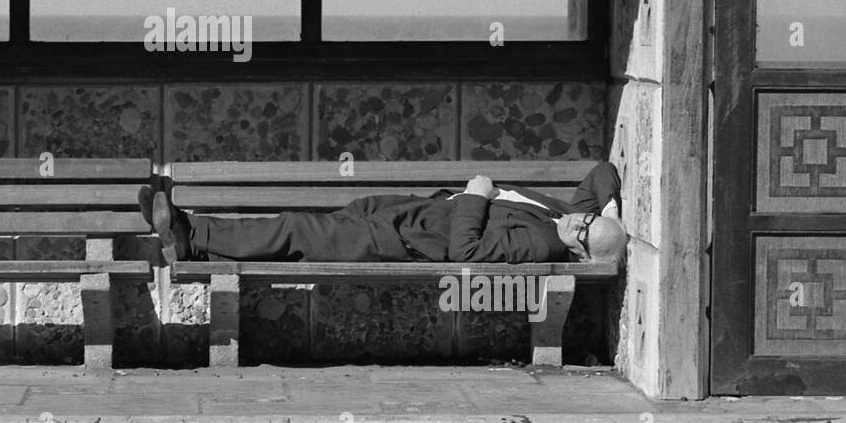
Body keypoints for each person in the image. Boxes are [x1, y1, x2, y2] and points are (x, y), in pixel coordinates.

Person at [140, 161, 627, 267]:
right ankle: (190, 234)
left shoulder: (544, 243)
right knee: (310, 228)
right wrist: (608, 212)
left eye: (583, 230)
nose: (576, 222)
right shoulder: (568, 218)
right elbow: (602, 173)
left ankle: (192, 235)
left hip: (406, 242)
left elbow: (467, 254)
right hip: (408, 215)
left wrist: (477, 195)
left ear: (581, 251)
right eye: (585, 219)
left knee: (298, 229)